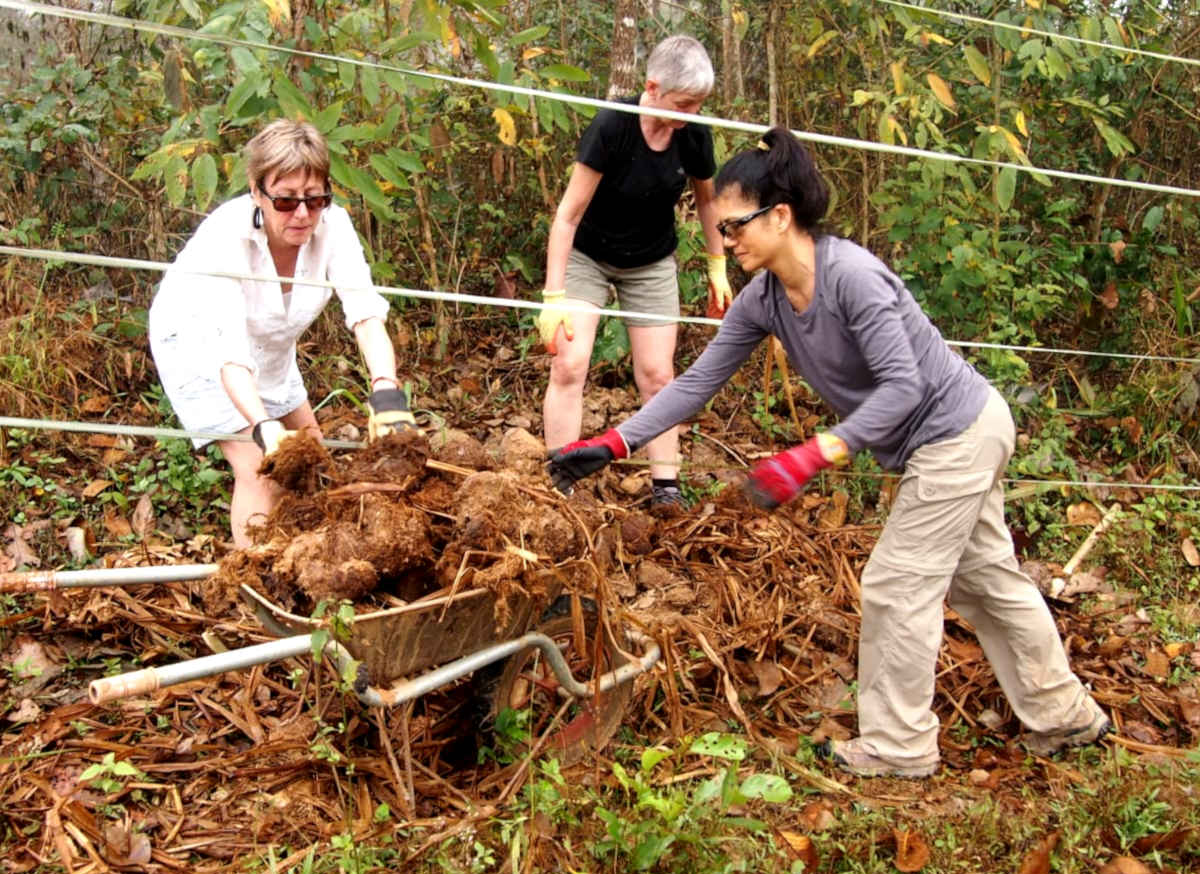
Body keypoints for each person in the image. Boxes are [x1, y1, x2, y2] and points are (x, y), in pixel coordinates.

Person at [546, 126, 1110, 778]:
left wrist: (815, 453)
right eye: (721, 231)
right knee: (987, 584)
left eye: (734, 227)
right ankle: (1067, 718)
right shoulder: (763, 300)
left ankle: (899, 749)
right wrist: (616, 442)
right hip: (945, 439)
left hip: (959, 433)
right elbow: (697, 382)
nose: (725, 242)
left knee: (896, 587)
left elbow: (906, 385)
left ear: (780, 217)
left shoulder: (853, 278)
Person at [149, 119, 415, 548]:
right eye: (286, 202)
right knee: (262, 467)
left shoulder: (334, 227)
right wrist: (261, 425)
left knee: (311, 450)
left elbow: (365, 313)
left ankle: (316, 549)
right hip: (198, 345)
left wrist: (386, 391)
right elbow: (230, 354)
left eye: (316, 199)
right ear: (256, 191)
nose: (304, 215)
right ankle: (256, 582)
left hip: (270, 342)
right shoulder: (226, 237)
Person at [537, 34, 731, 507]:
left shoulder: (694, 134)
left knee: (657, 374)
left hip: (651, 261)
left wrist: (717, 262)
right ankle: (560, 479)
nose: (691, 114)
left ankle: (666, 488)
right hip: (588, 256)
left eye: (699, 105)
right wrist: (553, 295)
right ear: (652, 87)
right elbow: (567, 214)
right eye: (683, 103)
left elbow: (708, 203)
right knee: (569, 363)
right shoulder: (613, 126)